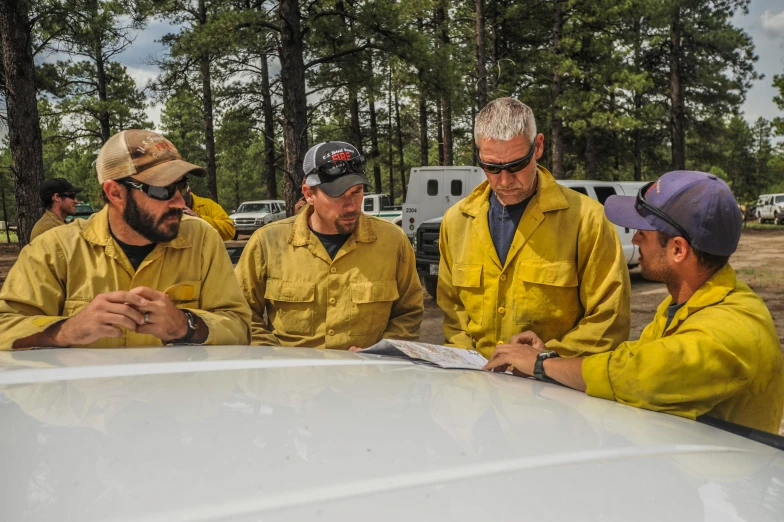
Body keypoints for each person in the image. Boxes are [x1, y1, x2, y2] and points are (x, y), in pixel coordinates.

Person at [484, 171, 784, 433]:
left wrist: (542, 364)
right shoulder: (689, 304)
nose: (636, 240)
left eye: (643, 232)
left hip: (724, 489)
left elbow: (635, 376)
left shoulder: (729, 330)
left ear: (678, 250)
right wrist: (553, 357)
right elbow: (629, 360)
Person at [0, 129, 251, 349]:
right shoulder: (54, 249)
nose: (179, 202)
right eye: (162, 189)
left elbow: (240, 326)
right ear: (115, 193)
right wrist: (68, 329)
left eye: (182, 186)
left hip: (179, 398)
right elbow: (6, 327)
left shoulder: (202, 240)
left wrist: (185, 324)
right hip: (85, 401)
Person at [437, 97, 631, 359]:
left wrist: (544, 362)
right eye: (492, 167)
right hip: (477, 384)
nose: (504, 181)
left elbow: (609, 321)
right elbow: (453, 313)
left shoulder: (588, 219)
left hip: (554, 390)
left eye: (516, 165)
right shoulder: (456, 221)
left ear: (538, 146)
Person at [235, 141, 423, 349]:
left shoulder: (392, 241)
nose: (351, 205)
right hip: (291, 378)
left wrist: (381, 352)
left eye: (357, 191)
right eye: (338, 195)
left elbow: (408, 312)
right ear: (309, 194)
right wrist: (276, 358)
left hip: (368, 377)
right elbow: (241, 313)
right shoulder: (268, 243)